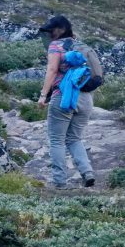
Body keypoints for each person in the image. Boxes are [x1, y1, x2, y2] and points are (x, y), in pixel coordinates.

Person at [37, 15, 97, 189]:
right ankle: (87, 173)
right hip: (85, 98)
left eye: (51, 30)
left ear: (59, 29)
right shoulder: (81, 45)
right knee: (75, 138)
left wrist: (43, 95)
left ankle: (59, 181)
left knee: (56, 140)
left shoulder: (56, 46)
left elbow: (52, 69)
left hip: (64, 97)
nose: (49, 34)